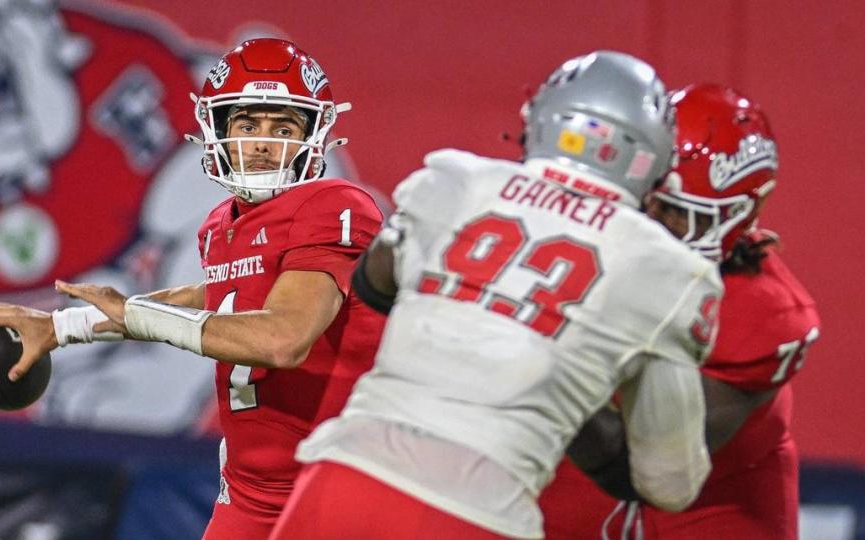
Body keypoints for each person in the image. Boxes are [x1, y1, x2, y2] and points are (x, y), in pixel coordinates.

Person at [269, 51, 723, 540]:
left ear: (542, 122)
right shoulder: (669, 271)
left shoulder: (456, 180)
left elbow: (374, 282)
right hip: (477, 512)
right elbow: (669, 482)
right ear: (652, 161)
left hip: (344, 476)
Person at [0, 38, 386, 540]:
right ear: (216, 130)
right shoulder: (221, 225)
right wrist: (63, 326)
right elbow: (217, 296)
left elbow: (283, 338)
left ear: (315, 135)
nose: (262, 143)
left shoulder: (334, 205)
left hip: (338, 485)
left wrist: (136, 314)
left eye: (283, 127)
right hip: (252, 491)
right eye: (248, 125)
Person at [539, 84, 821, 540]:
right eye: (645, 200)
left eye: (676, 213)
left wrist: (536, 355)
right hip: (573, 464)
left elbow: (649, 472)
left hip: (711, 498)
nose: (652, 225)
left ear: (739, 214)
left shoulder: (762, 314)